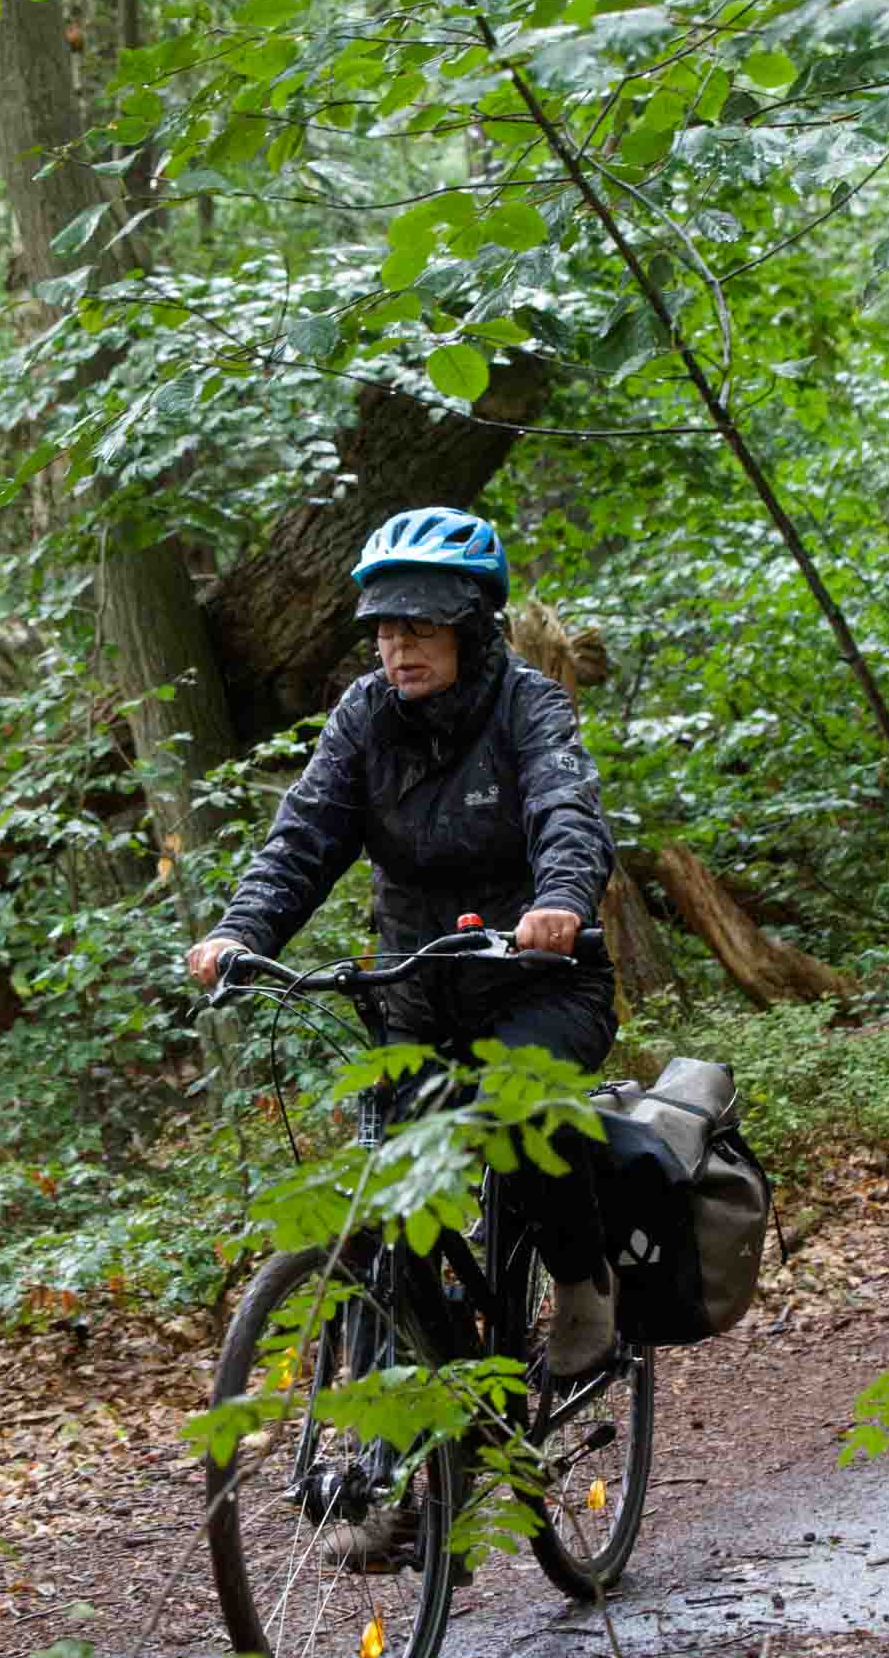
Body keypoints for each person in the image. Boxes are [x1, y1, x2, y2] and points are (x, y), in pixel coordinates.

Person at [186, 503, 619, 1378]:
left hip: (539, 982)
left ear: (472, 627)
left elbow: (564, 809)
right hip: (414, 996)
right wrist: (240, 930)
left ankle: (582, 1279)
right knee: (388, 1191)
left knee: (517, 1112)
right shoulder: (364, 717)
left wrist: (560, 902)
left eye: (420, 626)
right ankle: (407, 1397)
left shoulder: (526, 704)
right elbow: (304, 837)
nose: (397, 647)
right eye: (385, 629)